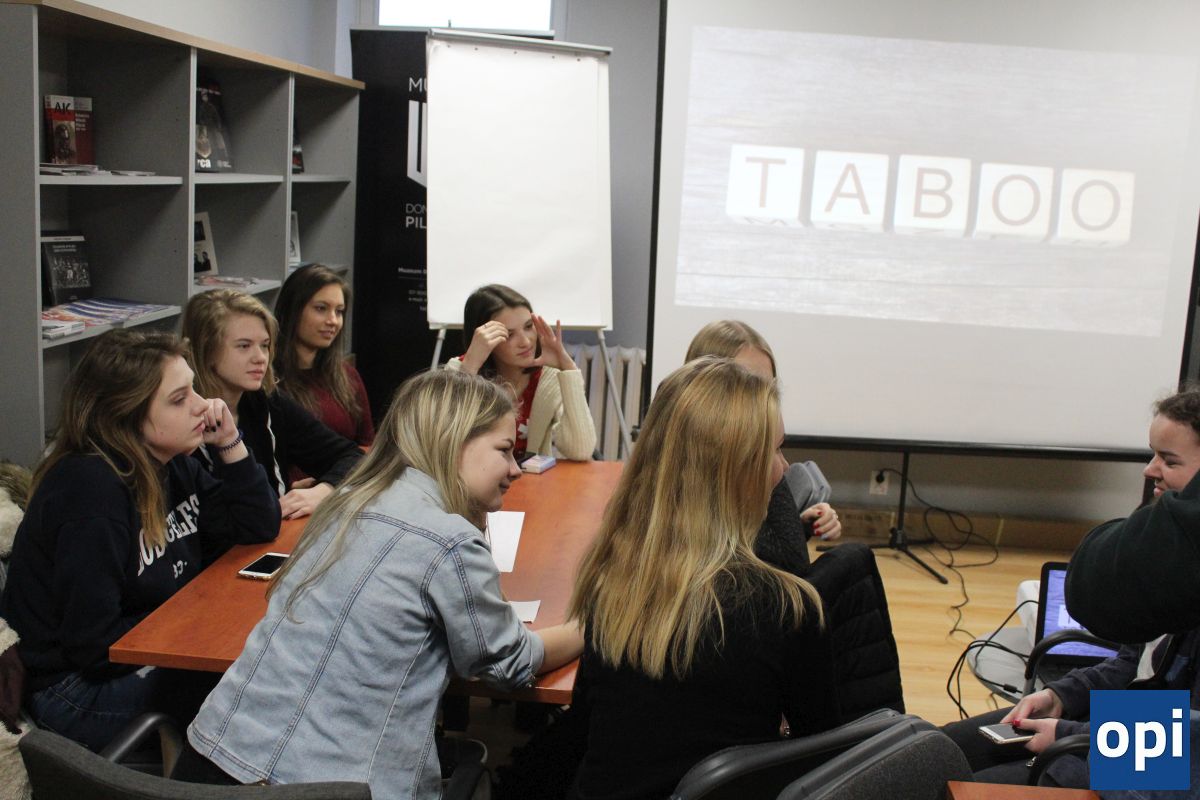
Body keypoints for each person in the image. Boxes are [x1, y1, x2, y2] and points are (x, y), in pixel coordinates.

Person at [176, 369, 585, 798]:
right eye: (504, 450)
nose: (515, 469)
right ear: (453, 441)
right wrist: (587, 627)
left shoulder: (345, 502)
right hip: (329, 789)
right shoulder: (449, 541)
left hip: (207, 762)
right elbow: (508, 664)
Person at [566, 357, 837, 799]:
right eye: (774, 451)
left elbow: (588, 726)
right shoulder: (785, 604)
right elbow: (821, 759)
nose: (784, 468)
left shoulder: (610, 576)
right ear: (736, 472)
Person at [0, 330, 280, 751]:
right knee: (250, 692)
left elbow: (258, 526)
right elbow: (95, 648)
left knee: (267, 669)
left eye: (194, 389)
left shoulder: (172, 463)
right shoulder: (89, 491)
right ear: (126, 416)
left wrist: (229, 443)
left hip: (143, 651)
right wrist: (191, 619)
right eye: (179, 399)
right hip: (73, 691)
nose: (203, 405)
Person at [943, 387, 1200, 788]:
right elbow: (1135, 664)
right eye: (1152, 455)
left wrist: (1071, 736)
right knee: (937, 750)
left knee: (961, 786)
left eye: (1169, 460)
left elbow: (1183, 749)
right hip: (1120, 733)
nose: (1150, 470)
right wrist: (1063, 696)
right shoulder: (1169, 563)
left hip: (1149, 769)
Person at [182, 289, 363, 519]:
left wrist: (324, 490)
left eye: (265, 345)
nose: (261, 358)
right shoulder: (185, 421)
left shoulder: (266, 401)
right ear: (207, 350)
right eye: (244, 346)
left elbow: (353, 457)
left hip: (276, 534)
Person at [685, 320, 841, 569]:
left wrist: (800, 524)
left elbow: (772, 552)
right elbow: (792, 564)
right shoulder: (693, 477)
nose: (761, 397)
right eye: (748, 383)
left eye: (768, 386)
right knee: (854, 560)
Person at [446, 284, 596, 461]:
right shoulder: (460, 370)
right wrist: (469, 370)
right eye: (509, 334)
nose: (525, 342)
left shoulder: (548, 375)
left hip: (531, 477)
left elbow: (581, 450)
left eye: (528, 326)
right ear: (483, 339)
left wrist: (568, 368)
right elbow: (445, 445)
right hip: (478, 477)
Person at [273, 264, 374, 450]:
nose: (333, 321)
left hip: (349, 468)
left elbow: (367, 444)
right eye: (321, 308)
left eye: (339, 311)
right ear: (293, 309)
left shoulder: (347, 375)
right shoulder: (267, 380)